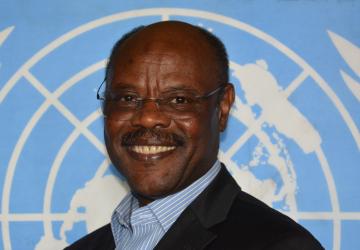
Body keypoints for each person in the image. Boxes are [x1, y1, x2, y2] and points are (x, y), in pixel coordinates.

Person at [66, 21, 324, 250]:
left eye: (179, 100)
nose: (147, 117)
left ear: (222, 108)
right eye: (128, 98)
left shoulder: (280, 245)